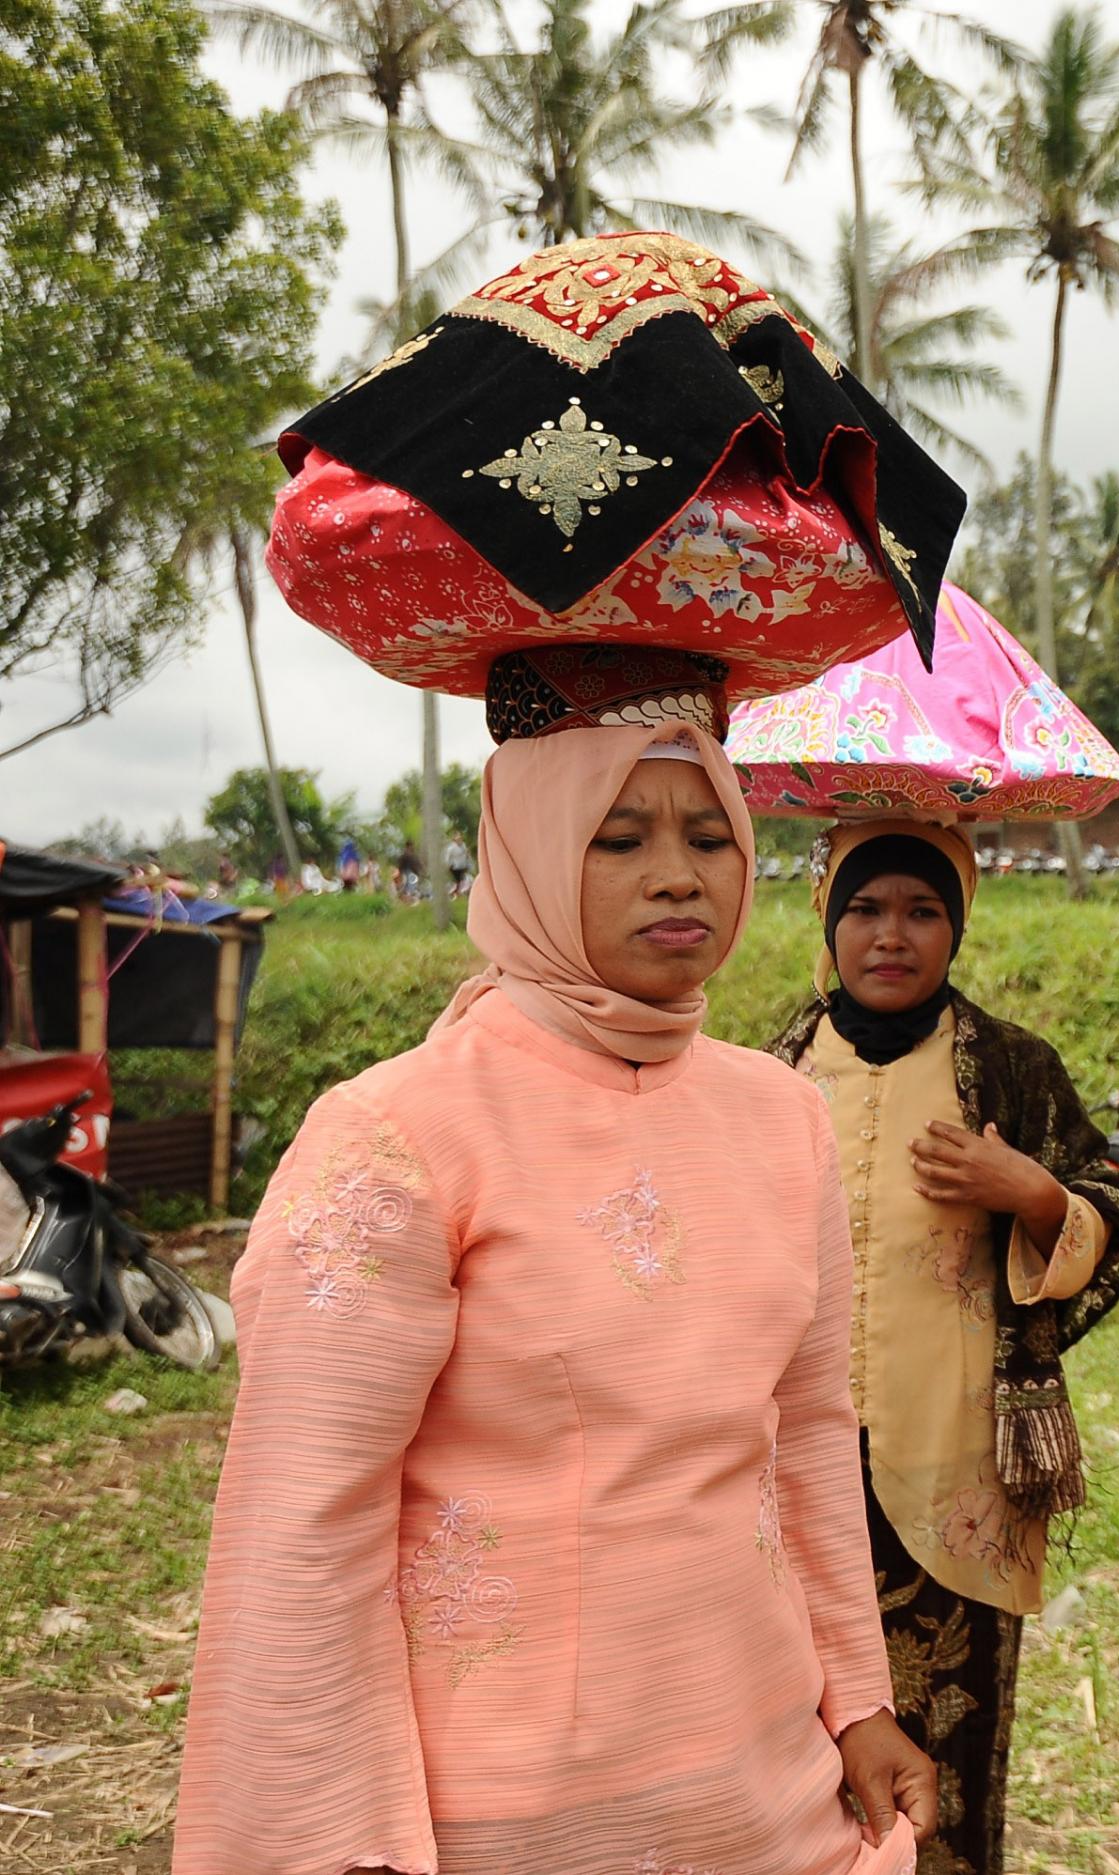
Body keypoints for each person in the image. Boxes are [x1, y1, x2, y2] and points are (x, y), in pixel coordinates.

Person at [174, 655, 934, 1875]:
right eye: (616, 837)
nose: (676, 874)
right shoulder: (398, 1135)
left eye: (709, 834)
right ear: (525, 849)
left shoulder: (783, 1115)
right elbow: (305, 1524)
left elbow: (804, 1429)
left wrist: (855, 1697)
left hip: (763, 1780)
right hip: (508, 1808)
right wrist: (335, 1836)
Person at [772, 818, 1119, 1875]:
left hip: (957, 1481)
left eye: (922, 910)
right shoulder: (769, 1073)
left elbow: (1115, 1225)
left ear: (958, 926)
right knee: (785, 1750)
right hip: (785, 1478)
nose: (892, 935)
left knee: (947, 1753)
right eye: (866, 907)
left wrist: (1029, 1195)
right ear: (828, 919)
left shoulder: (1015, 1071)